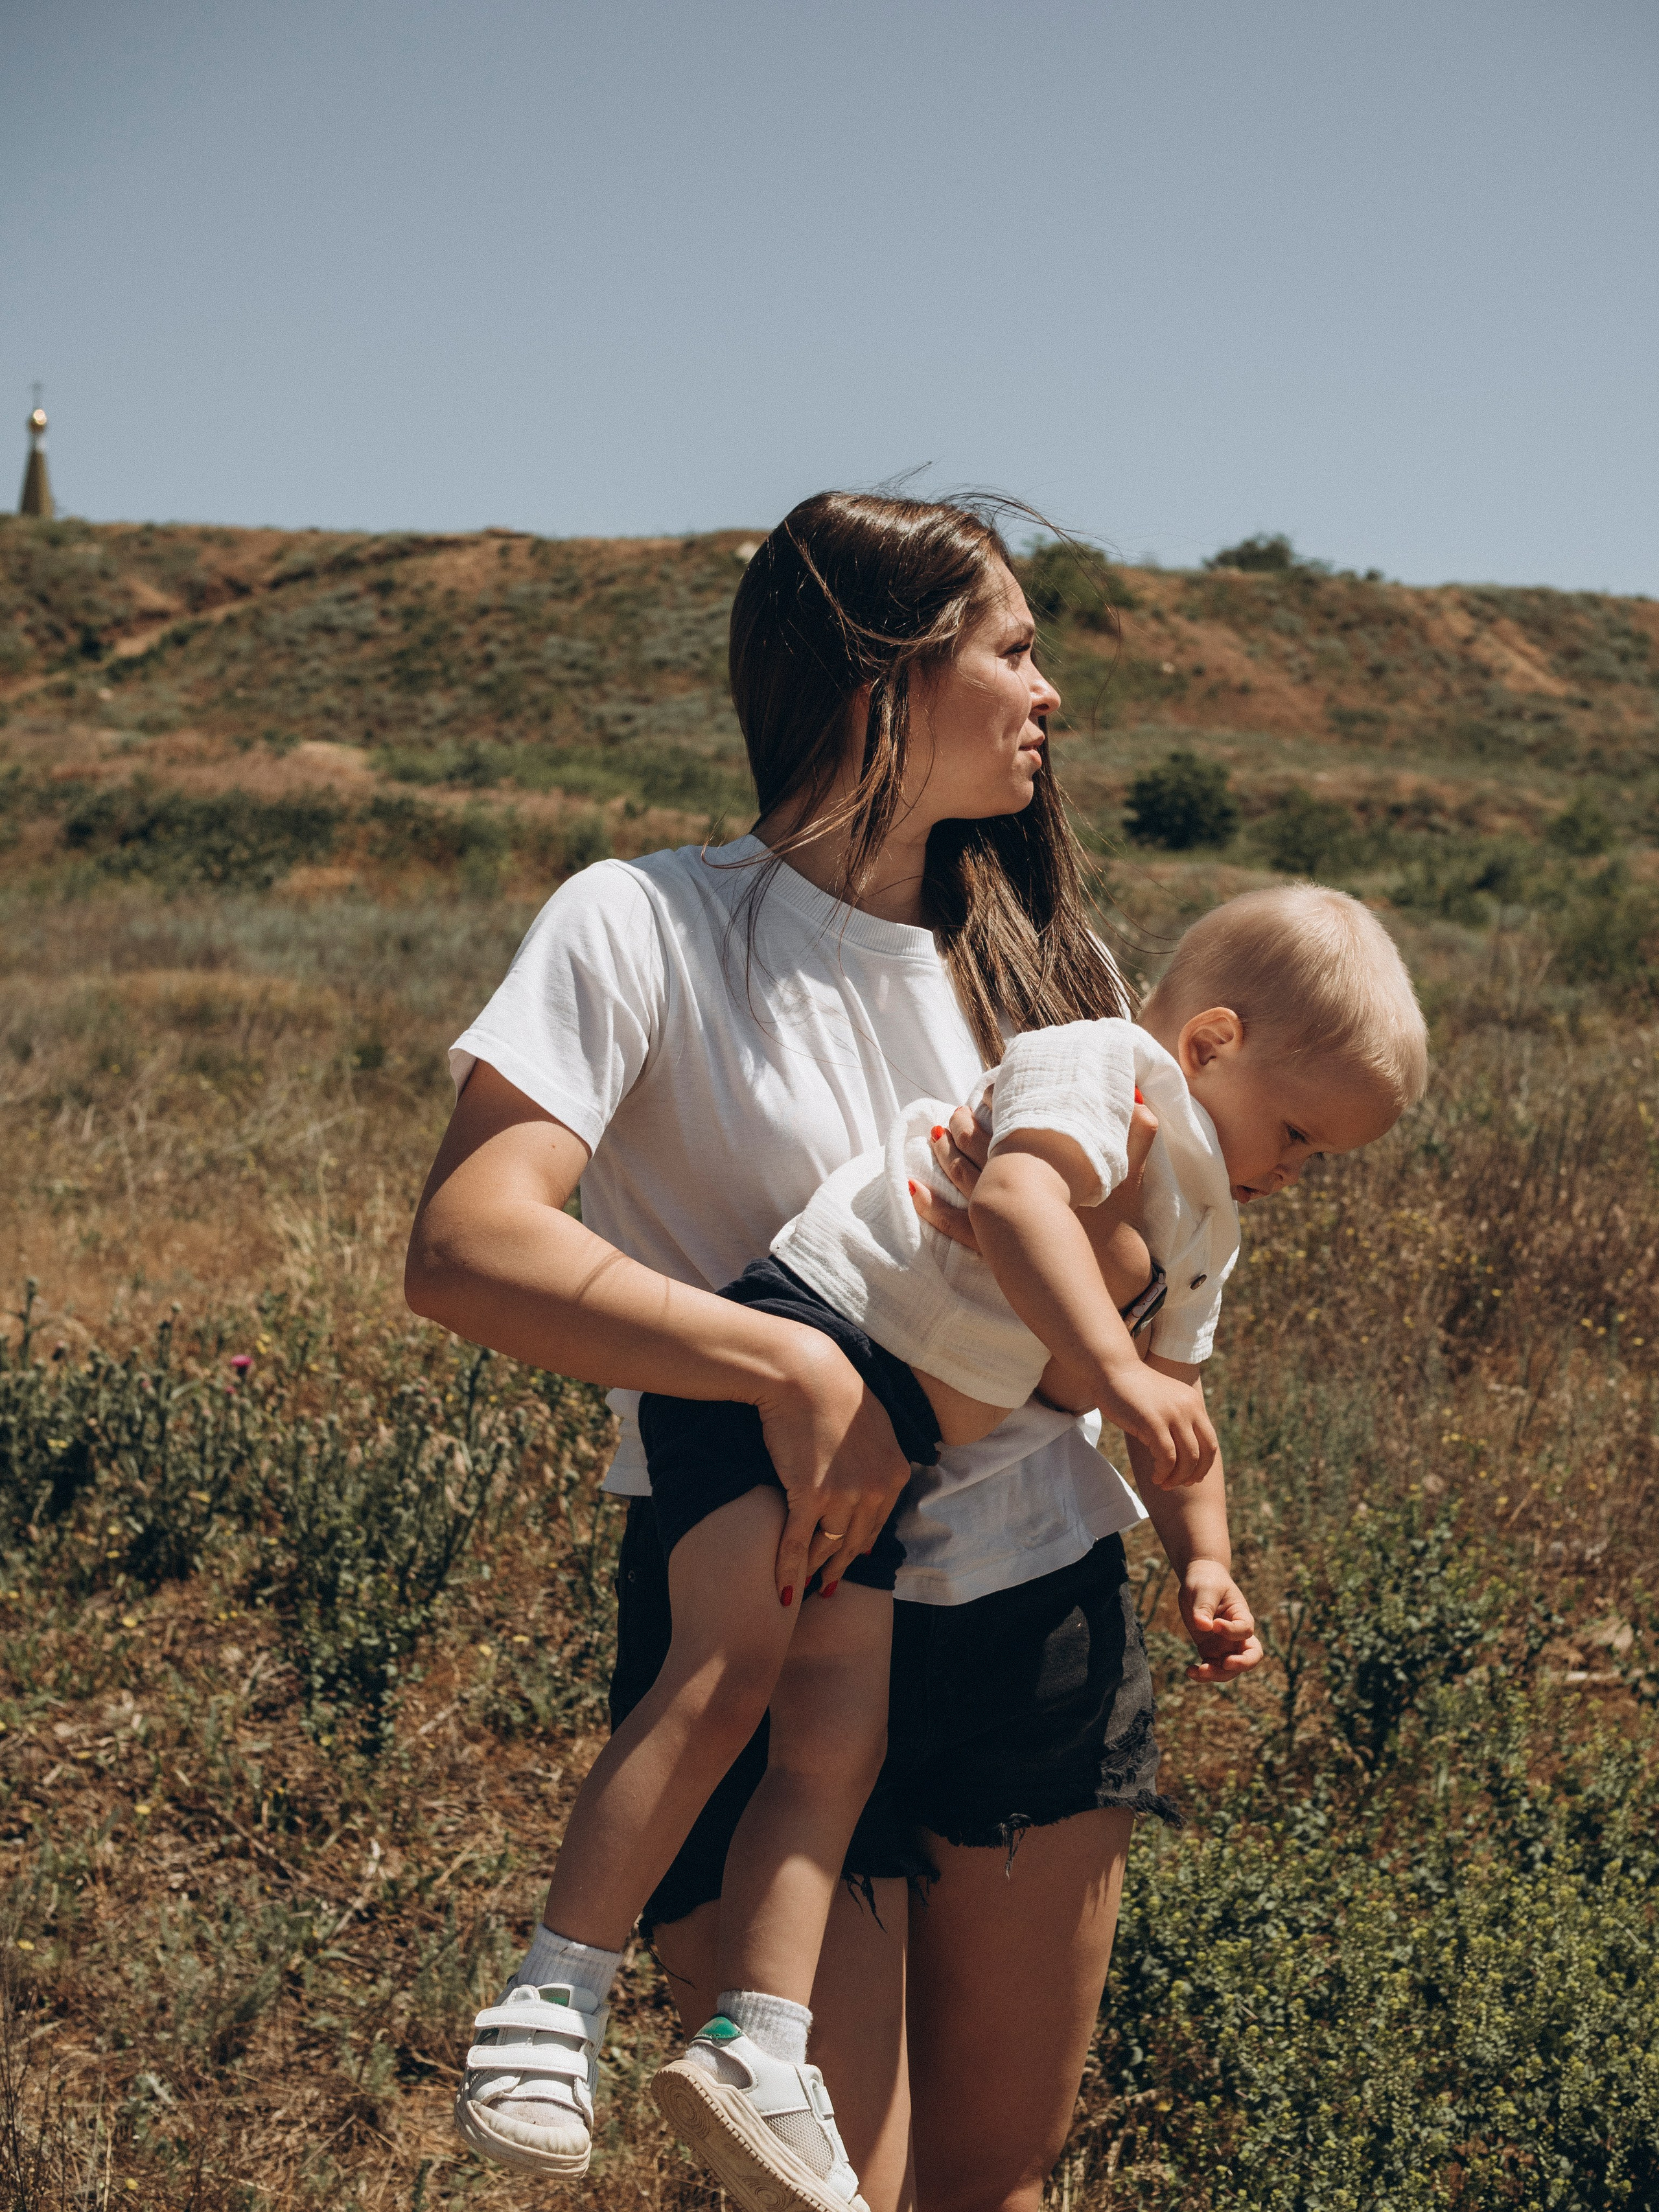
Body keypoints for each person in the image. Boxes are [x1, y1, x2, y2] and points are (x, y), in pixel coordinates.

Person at [408, 490, 1274, 2212]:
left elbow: (1133, 1279)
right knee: (819, 2196)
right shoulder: (641, 924)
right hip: (764, 1602)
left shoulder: (1050, 968)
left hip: (1035, 1613)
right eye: (1015, 650)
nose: (1051, 696)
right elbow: (468, 1247)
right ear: (884, 676)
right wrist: (790, 1371)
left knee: (989, 2188)